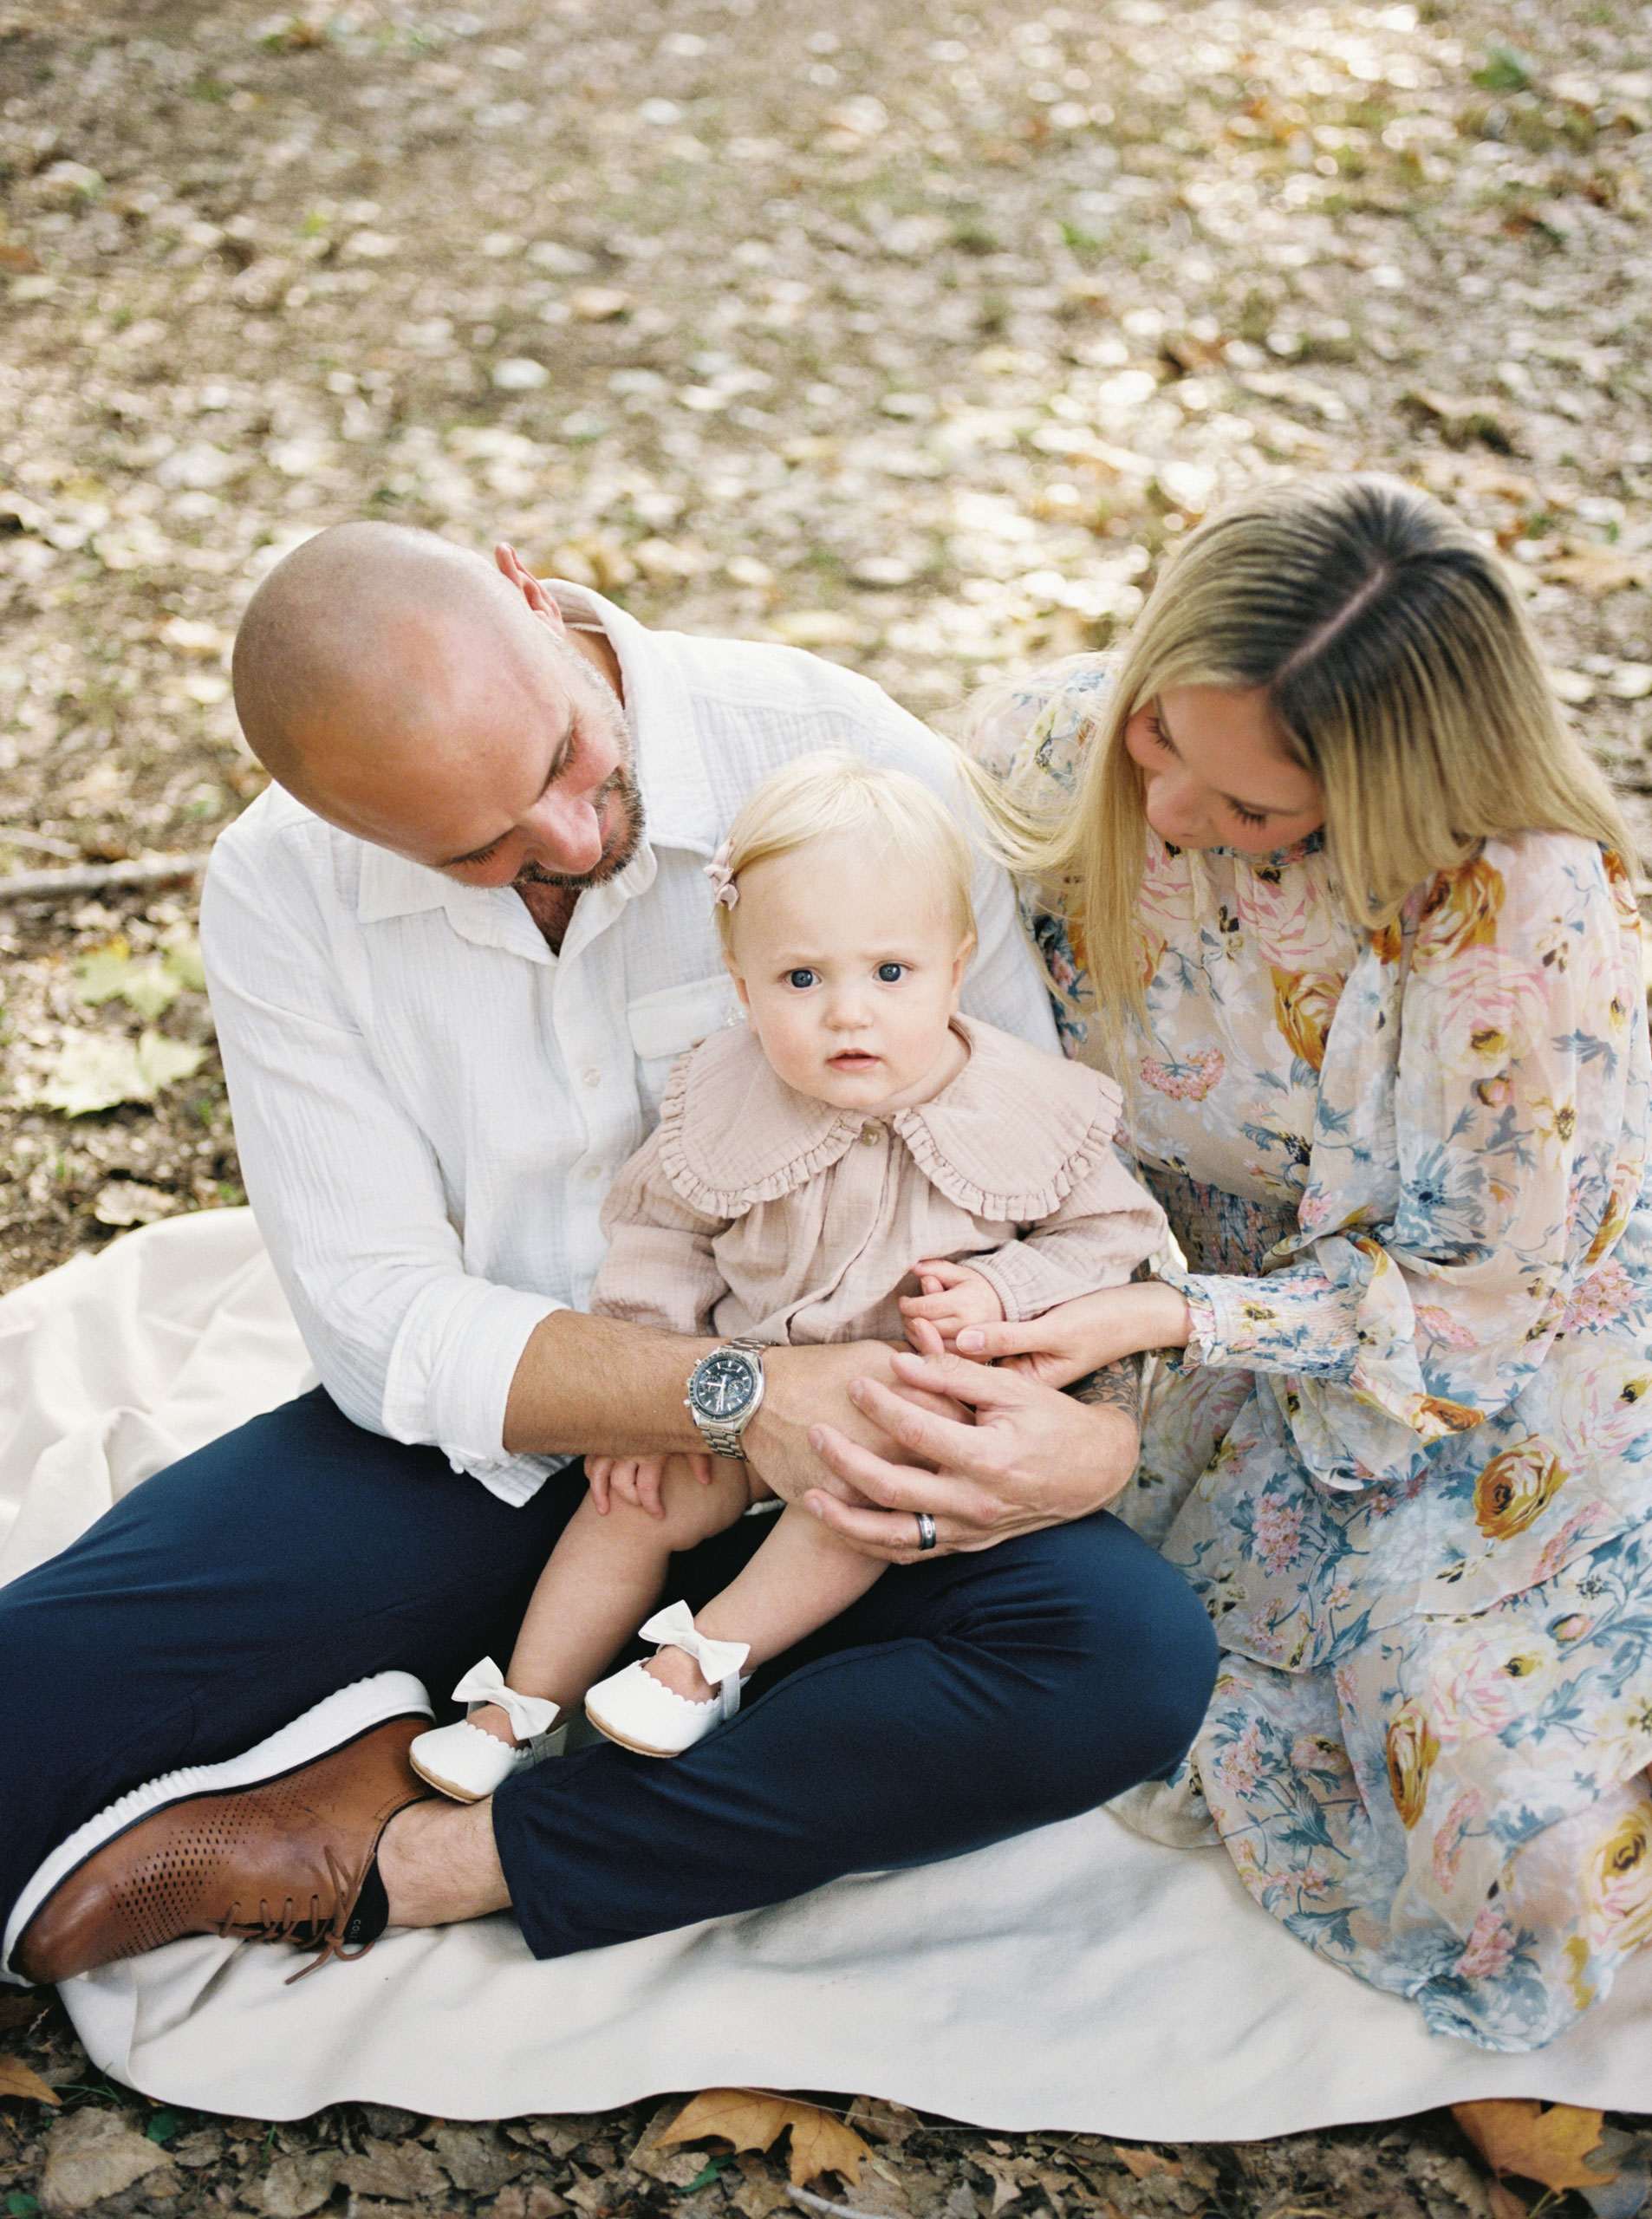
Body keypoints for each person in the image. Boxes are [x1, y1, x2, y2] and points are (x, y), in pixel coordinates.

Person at [2, 523, 1218, 1988]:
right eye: (479, 852)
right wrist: (738, 1398)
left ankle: (409, 1859)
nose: (573, 842)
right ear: (344, 818)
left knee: (1119, 1663)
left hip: (881, 1449)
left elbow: (1039, 1170)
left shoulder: (834, 752)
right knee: (30, 1712)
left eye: (568, 764)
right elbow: (380, 1320)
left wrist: (1088, 1443)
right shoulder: (283, 884)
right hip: (506, 1447)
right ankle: (496, 1712)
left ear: (529, 589)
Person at [929, 473, 1652, 2051]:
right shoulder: (1052, 749)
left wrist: (1174, 1316)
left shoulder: (1515, 907)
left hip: (1456, 1338)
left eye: (1253, 810)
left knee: (1488, 1798)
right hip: (1142, 1273)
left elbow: (1475, 1295)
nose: (1174, 810)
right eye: (1160, 738)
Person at [408, 754, 1166, 1791]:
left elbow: (1112, 1239)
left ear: (957, 963)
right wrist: (643, 1403)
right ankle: (518, 1709)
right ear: (741, 981)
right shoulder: (725, 1092)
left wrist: (1007, 1289)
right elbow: (658, 1237)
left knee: (860, 1500)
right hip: (737, 1395)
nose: (847, 1015)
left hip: (895, 1413)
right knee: (629, 1497)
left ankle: (701, 1661)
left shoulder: (1030, 1106)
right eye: (800, 979)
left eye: (889, 974)